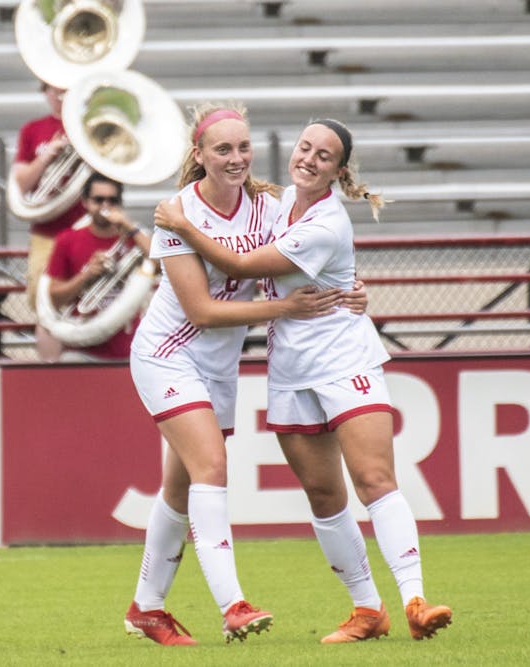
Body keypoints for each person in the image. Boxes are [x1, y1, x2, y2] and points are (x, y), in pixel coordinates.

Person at [153, 118, 453, 644]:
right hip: (290, 371)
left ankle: (414, 600)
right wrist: (354, 284)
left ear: (339, 171)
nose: (310, 159)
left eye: (325, 155)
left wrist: (181, 226)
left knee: (375, 480)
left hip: (345, 361)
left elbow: (240, 263)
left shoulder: (326, 222)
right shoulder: (276, 203)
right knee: (323, 495)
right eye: (305, 147)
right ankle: (367, 610)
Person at [125, 102, 363, 646]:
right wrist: (282, 309)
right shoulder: (177, 213)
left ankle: (147, 608)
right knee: (211, 465)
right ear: (199, 156)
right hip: (166, 354)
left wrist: (354, 285)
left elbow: (317, 247)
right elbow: (202, 312)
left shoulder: (269, 206)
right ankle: (233, 604)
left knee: (179, 488)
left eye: (243, 147)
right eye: (222, 149)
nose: (236, 158)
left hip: (218, 368)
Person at [38, 172, 151, 362]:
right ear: (85, 202)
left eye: (112, 200)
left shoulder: (134, 238)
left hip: (129, 349)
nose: (105, 206)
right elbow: (54, 299)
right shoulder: (67, 240)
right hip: (80, 351)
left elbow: (161, 261)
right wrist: (87, 275)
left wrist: (128, 226)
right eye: (98, 200)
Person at [10, 80, 88, 317]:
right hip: (46, 230)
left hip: (84, 225)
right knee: (40, 298)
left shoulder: (88, 128)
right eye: (54, 89)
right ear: (45, 92)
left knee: (83, 298)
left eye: (65, 88)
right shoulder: (33, 129)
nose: (60, 95)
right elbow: (21, 183)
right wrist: (47, 157)